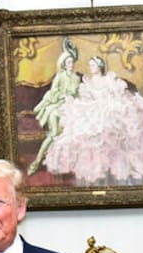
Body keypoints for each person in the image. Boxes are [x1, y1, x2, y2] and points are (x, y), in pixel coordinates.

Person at [44, 55, 143, 185]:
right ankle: (95, 173)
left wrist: (108, 102)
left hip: (108, 108)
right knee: (84, 132)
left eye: (93, 65)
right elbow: (86, 98)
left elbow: (115, 94)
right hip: (93, 110)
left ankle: (114, 175)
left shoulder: (108, 80)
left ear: (100, 66)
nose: (91, 68)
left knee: (113, 124)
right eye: (90, 65)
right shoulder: (87, 83)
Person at [28, 39, 81, 176]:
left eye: (72, 62)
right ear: (63, 64)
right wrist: (63, 95)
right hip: (57, 108)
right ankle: (36, 162)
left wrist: (74, 97)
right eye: (68, 62)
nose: (71, 65)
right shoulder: (60, 76)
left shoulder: (76, 78)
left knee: (76, 133)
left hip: (71, 108)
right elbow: (53, 92)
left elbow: (78, 94)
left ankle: (69, 165)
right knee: (53, 135)